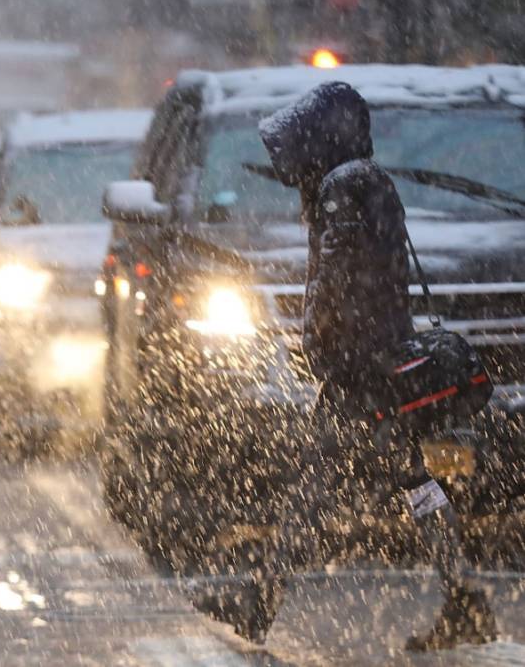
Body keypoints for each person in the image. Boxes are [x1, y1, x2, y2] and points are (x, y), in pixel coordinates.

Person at [189, 81, 497, 651]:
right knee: (416, 482)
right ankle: (465, 597)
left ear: (319, 136)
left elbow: (335, 282)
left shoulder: (341, 186)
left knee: (313, 487)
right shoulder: (367, 179)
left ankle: (263, 599)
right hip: (384, 359)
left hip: (361, 371)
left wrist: (324, 349)